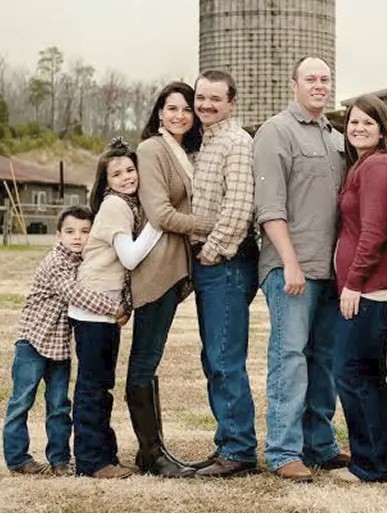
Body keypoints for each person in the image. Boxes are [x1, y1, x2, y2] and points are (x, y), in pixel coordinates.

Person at [253, 56, 348, 482]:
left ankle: (320, 444)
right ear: (294, 84)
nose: (319, 85)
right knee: (289, 357)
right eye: (310, 78)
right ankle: (283, 450)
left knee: (324, 358)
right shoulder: (277, 131)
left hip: (331, 271)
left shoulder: (338, 138)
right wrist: (288, 262)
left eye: (325, 79)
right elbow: (269, 206)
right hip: (292, 269)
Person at [126, 81, 214, 478]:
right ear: (159, 112)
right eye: (172, 108)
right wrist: (209, 225)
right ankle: (151, 455)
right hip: (156, 268)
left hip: (175, 265)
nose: (180, 115)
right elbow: (160, 213)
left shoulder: (182, 152)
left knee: (152, 357)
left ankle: (154, 451)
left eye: (186, 109)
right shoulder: (151, 149)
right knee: (144, 360)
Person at [3, 206, 124, 477]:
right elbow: (76, 294)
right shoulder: (56, 261)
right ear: (58, 235)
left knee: (59, 405)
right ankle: (17, 458)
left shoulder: (84, 263)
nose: (77, 237)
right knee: (21, 401)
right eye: (70, 232)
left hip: (59, 346)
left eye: (84, 231)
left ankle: (59, 460)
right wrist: (115, 308)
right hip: (33, 341)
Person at [71, 138, 163, 478]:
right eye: (117, 173)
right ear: (106, 181)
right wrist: (160, 220)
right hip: (93, 307)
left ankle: (103, 455)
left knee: (100, 384)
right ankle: (92, 461)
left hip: (106, 310)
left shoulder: (127, 205)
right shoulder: (114, 206)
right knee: (93, 386)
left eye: (130, 169)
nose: (126, 177)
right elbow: (130, 256)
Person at [328, 94, 387, 483]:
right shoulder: (362, 164)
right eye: (353, 122)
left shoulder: (376, 165)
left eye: (368, 123)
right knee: (367, 374)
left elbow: (374, 232)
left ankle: (371, 464)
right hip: (369, 288)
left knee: (353, 373)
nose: (358, 128)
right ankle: (378, 460)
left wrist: (353, 283)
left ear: (382, 129)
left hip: (372, 289)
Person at [190, 69, 259, 478]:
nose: (206, 105)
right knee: (213, 354)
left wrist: (211, 253)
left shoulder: (236, 142)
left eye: (215, 99)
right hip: (213, 263)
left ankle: (239, 449)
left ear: (232, 102)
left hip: (227, 263)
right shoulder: (207, 142)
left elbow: (239, 207)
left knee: (224, 356)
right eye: (201, 97)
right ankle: (228, 441)